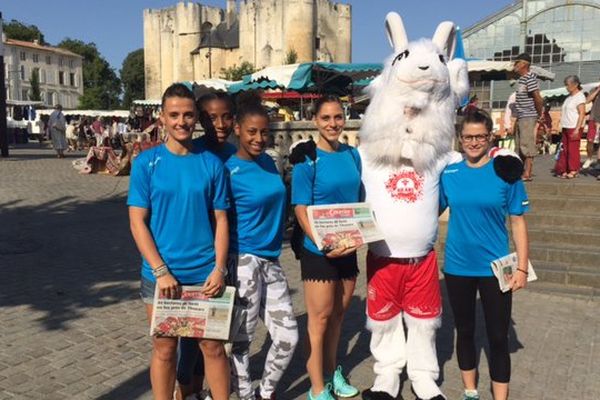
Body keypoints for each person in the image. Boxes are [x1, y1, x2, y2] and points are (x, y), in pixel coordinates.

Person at [128, 83, 230, 400]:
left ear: (196, 118)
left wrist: (219, 268)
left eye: (188, 115)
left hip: (203, 273)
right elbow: (137, 221)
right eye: (174, 115)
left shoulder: (211, 164)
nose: (181, 122)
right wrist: (160, 270)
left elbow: (221, 220)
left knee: (212, 347)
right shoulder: (147, 163)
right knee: (164, 347)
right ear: (162, 118)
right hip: (161, 275)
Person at [440, 109, 530, 400]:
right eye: (468, 136)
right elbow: (428, 211)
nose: (474, 142)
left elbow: (517, 221)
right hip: (457, 267)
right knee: (464, 332)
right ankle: (470, 392)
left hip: (496, 268)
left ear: (490, 136)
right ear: (460, 138)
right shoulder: (449, 174)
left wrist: (522, 268)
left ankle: (500, 397)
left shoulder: (506, 172)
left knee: (497, 337)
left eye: (480, 136)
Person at [227, 92, 299, 400]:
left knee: (288, 336)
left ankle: (264, 394)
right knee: (241, 340)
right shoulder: (227, 169)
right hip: (243, 259)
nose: (259, 138)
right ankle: (243, 395)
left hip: (271, 259)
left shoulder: (270, 163)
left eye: (264, 132)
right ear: (238, 129)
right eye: (252, 131)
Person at [291, 95, 361, 400]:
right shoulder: (307, 159)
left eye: (337, 117)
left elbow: (359, 201)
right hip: (319, 250)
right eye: (325, 118)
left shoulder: (353, 155)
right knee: (318, 320)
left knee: (338, 317)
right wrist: (321, 242)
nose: (332, 124)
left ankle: (333, 374)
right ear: (315, 120)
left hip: (348, 247)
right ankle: (316, 387)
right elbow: (300, 208)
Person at [174, 91, 237, 400]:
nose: (220, 124)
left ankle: (219, 388)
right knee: (190, 334)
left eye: (226, 116)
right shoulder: (191, 151)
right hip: (200, 255)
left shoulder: (240, 153)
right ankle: (187, 389)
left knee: (222, 332)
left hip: (233, 252)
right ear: (200, 119)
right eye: (211, 117)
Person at [512, 53, 543, 181]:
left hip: (528, 115)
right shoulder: (521, 80)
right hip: (521, 115)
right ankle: (521, 170)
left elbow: (537, 97)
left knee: (527, 144)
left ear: (524, 64)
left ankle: (528, 172)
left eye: (517, 63)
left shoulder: (530, 77)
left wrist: (539, 114)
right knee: (519, 144)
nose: (515, 66)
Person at [555, 75, 586, 179]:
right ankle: (564, 169)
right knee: (564, 149)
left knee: (573, 150)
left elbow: (582, 113)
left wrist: (577, 128)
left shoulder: (580, 96)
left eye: (568, 85)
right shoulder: (568, 97)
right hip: (566, 126)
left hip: (574, 126)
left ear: (575, 84)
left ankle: (573, 170)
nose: (566, 87)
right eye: (566, 85)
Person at [193, 92, 238, 162]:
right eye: (212, 118)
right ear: (201, 120)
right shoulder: (192, 151)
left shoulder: (234, 152)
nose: (221, 125)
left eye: (227, 117)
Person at [585, 83, 600, 169]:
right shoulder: (595, 90)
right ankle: (589, 158)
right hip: (593, 119)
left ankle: (598, 162)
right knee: (590, 140)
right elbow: (587, 100)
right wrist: (597, 90)